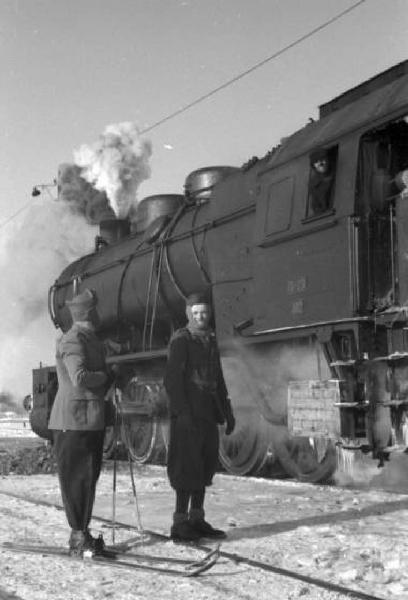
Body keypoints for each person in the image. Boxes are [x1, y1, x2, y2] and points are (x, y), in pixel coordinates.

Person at [164, 291, 236, 542]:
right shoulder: (181, 340)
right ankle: (180, 521)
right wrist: (182, 411)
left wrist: (227, 411)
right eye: (195, 313)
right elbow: (172, 380)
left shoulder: (210, 339)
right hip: (188, 414)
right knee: (186, 466)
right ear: (188, 314)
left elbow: (218, 378)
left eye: (204, 312)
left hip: (208, 411)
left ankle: (197, 518)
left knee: (204, 465)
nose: (200, 317)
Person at [49, 288, 113, 556]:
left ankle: (82, 531)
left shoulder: (91, 339)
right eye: (95, 310)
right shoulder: (73, 340)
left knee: (87, 478)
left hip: (89, 420)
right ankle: (78, 536)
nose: (99, 314)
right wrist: (107, 376)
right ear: (89, 313)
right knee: (77, 480)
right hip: (74, 421)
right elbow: (80, 376)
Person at [308, 149, 334, 215]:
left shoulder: (338, 173)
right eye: (316, 162)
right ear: (313, 166)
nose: (320, 164)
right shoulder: (314, 186)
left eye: (322, 159)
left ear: (328, 159)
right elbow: (316, 208)